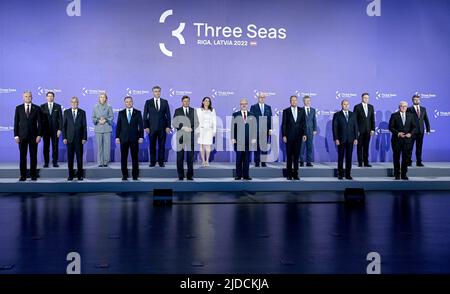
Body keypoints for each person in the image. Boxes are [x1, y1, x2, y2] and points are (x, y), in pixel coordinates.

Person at [14, 90, 42, 181]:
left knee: (33, 156)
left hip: (34, 136)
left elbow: (40, 123)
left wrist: (39, 135)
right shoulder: (18, 108)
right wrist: (16, 136)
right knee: (23, 156)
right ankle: (23, 175)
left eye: (29, 96)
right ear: (23, 97)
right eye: (26, 96)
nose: (28, 98)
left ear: (32, 97)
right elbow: (16, 123)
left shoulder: (37, 108)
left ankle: (33, 175)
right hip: (22, 136)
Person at [115, 96, 144, 181]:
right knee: (123, 158)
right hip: (123, 139)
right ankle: (124, 175)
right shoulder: (121, 113)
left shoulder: (138, 112)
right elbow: (118, 126)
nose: (128, 103)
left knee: (135, 158)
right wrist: (117, 137)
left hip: (134, 138)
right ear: (125, 103)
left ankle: (135, 175)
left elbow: (141, 126)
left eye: (130, 101)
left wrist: (141, 136)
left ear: (132, 102)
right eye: (127, 102)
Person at [143, 86, 171, 167]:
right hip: (151, 128)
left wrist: (168, 126)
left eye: (158, 91)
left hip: (163, 128)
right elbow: (145, 116)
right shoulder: (148, 102)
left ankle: (161, 162)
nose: (157, 93)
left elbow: (168, 115)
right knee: (152, 146)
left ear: (160, 92)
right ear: (153, 92)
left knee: (162, 146)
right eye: (155, 91)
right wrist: (146, 127)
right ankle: (152, 162)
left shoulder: (165, 102)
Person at [389, 101, 417, 180]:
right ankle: (397, 174)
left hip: (407, 141)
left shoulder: (411, 116)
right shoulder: (394, 115)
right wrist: (398, 133)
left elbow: (414, 127)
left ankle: (404, 174)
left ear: (407, 107)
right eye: (402, 106)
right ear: (399, 107)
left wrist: (410, 134)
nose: (404, 107)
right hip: (396, 140)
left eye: (405, 106)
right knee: (396, 157)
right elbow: (390, 127)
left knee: (405, 158)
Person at [173, 96, 199, 180]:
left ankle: (189, 175)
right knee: (180, 156)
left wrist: (192, 128)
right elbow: (174, 123)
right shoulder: (177, 110)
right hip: (180, 136)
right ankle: (180, 175)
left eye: (188, 101)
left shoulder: (193, 110)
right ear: (182, 102)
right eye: (184, 101)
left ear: (189, 102)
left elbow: (197, 122)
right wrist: (183, 128)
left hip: (190, 136)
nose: (186, 102)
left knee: (190, 157)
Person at [282, 95, 307, 180]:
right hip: (289, 137)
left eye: (295, 100)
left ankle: (295, 173)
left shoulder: (302, 111)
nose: (294, 102)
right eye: (292, 100)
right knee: (289, 156)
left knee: (296, 156)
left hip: (298, 137)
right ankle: (289, 174)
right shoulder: (286, 111)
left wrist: (304, 134)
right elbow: (284, 124)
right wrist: (284, 135)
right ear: (290, 101)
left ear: (297, 101)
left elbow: (304, 123)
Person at [231, 98, 257, 180]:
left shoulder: (252, 114)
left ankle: (246, 175)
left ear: (247, 104)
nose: (244, 105)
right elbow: (232, 127)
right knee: (239, 158)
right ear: (240, 105)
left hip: (248, 141)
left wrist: (254, 137)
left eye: (245, 103)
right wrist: (233, 137)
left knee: (246, 159)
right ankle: (238, 175)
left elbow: (254, 128)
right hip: (238, 140)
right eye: (242, 103)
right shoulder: (235, 114)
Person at [332, 99, 358, 180]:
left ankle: (348, 174)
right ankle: (340, 174)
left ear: (349, 105)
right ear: (341, 105)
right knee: (340, 157)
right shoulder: (337, 115)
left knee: (349, 158)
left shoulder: (353, 114)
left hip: (351, 139)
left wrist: (356, 138)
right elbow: (335, 128)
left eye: (347, 104)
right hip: (341, 139)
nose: (346, 105)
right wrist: (336, 138)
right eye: (344, 104)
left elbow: (356, 127)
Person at [62, 97, 87, 181]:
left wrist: (84, 137)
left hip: (79, 139)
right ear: (70, 103)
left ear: (78, 103)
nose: (74, 104)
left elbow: (84, 126)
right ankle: (70, 175)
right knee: (70, 158)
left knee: (79, 158)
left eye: (75, 102)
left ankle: (80, 175)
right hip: (69, 139)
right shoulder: (66, 112)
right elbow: (64, 126)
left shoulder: (82, 112)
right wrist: (64, 137)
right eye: (72, 102)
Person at [40, 91, 63, 168]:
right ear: (46, 97)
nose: (50, 97)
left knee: (55, 146)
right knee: (46, 147)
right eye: (48, 96)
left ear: (53, 97)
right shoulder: (42, 106)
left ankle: (55, 162)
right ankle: (46, 162)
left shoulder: (58, 106)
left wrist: (60, 129)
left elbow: (60, 119)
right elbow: (40, 120)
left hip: (55, 131)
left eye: (51, 96)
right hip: (45, 131)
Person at [250, 92, 272, 167]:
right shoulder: (253, 107)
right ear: (258, 98)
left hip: (265, 130)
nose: (262, 99)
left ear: (265, 98)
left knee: (264, 147)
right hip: (256, 130)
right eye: (260, 97)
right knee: (257, 147)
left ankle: (263, 162)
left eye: (263, 97)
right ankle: (257, 162)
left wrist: (270, 129)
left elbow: (270, 119)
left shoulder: (268, 107)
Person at [353, 92, 375, 167]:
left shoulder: (371, 107)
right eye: (365, 98)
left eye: (367, 98)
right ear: (362, 98)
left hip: (368, 131)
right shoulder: (357, 107)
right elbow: (354, 120)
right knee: (359, 147)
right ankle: (360, 162)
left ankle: (366, 162)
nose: (366, 99)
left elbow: (372, 119)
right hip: (359, 131)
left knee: (366, 146)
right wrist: (356, 130)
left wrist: (372, 129)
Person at [408, 94, 430, 167]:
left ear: (420, 100)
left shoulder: (423, 109)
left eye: (417, 99)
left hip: (421, 131)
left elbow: (426, 119)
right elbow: (407, 120)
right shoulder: (409, 109)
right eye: (415, 99)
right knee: (410, 147)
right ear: (412, 100)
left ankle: (419, 162)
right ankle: (408, 161)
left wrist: (428, 129)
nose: (416, 100)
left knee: (419, 148)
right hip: (412, 131)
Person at [92, 93, 114, 167]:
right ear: (99, 98)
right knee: (99, 146)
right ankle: (100, 162)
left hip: (107, 128)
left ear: (106, 99)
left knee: (107, 146)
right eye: (100, 97)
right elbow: (93, 117)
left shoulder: (109, 107)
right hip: (98, 128)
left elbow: (111, 117)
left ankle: (105, 162)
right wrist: (98, 120)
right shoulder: (95, 107)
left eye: (103, 97)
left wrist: (106, 120)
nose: (102, 98)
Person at [196, 97, 217, 166]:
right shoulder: (199, 110)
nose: (207, 102)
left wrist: (214, 131)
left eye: (208, 101)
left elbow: (214, 121)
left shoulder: (212, 110)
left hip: (209, 130)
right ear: (203, 102)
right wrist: (197, 130)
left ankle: (207, 160)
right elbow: (196, 121)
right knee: (201, 146)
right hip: (201, 130)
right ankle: (203, 161)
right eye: (206, 101)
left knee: (208, 146)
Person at [300, 95, 317, 167]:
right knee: (302, 147)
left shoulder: (313, 110)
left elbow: (314, 120)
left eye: (309, 101)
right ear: (303, 101)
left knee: (309, 147)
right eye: (306, 101)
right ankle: (301, 161)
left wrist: (315, 129)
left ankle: (308, 162)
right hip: (302, 132)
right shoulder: (300, 110)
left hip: (310, 131)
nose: (307, 102)